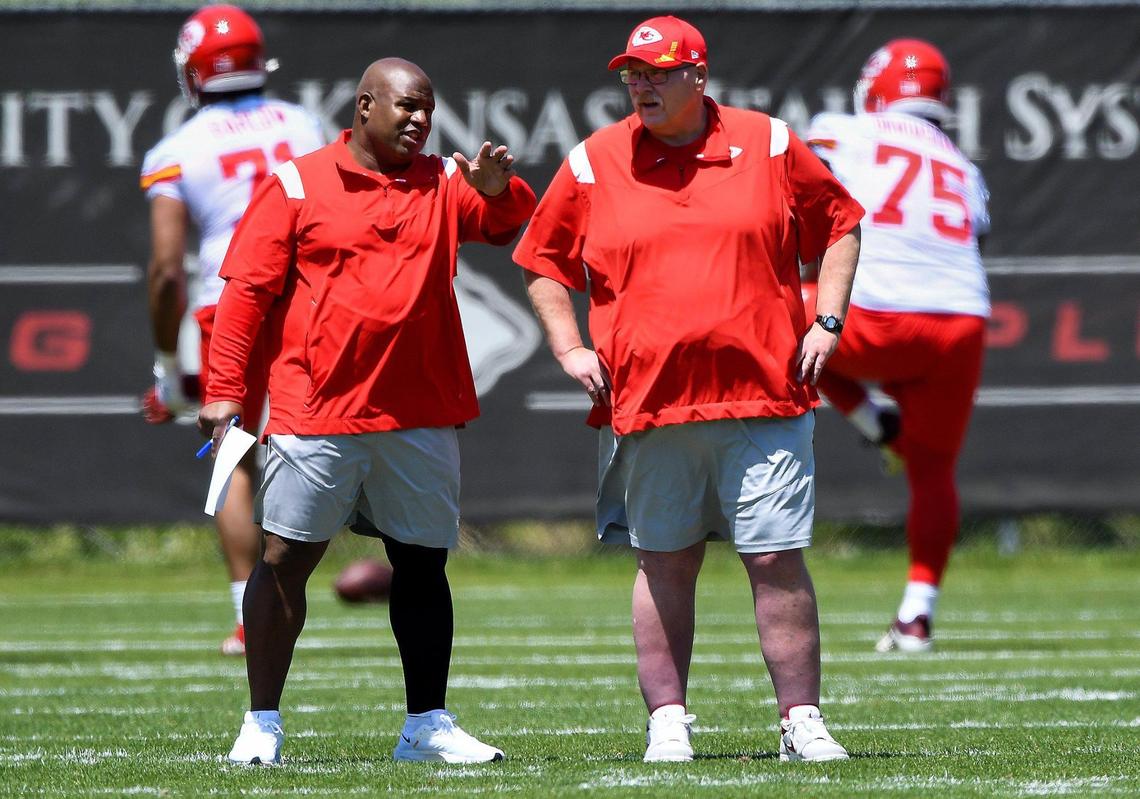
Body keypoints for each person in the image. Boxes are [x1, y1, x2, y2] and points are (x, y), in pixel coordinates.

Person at [513, 16, 862, 763]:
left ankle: (801, 718)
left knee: (775, 558)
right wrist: (569, 344)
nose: (641, 85)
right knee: (664, 559)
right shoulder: (593, 160)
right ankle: (667, 719)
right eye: (632, 74)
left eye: (658, 72)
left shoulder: (768, 142)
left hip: (764, 391)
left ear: (698, 76)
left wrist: (827, 319)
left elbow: (840, 223)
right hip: (648, 398)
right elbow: (542, 260)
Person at [197, 57, 536, 766]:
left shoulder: (445, 179)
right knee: (285, 559)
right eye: (406, 106)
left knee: (421, 564)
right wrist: (224, 388)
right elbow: (245, 293)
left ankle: (427, 724)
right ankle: (261, 722)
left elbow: (505, 223)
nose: (419, 120)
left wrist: (501, 192)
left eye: (428, 109)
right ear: (363, 106)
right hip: (316, 408)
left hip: (417, 411)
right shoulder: (296, 183)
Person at [139, 4, 325, 656]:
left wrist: (168, 368)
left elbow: (167, 270)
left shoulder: (176, 149)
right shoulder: (305, 123)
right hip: (315, 298)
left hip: (235, 304)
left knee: (236, 448)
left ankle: (254, 614)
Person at [805, 39, 991, 654]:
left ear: (876, 86)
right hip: (960, 320)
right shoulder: (964, 166)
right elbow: (974, 238)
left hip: (876, 314)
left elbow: (792, 199)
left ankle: (871, 419)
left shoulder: (843, 131)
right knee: (934, 471)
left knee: (774, 310)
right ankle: (917, 616)